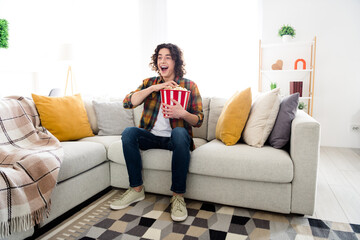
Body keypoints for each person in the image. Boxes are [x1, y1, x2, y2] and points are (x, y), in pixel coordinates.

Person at [110, 43, 203, 222]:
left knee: (179, 133)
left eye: (168, 57)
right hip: (151, 137)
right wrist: (154, 88)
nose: (163, 60)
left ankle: (177, 197)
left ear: (175, 61)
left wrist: (182, 113)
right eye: (160, 57)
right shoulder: (150, 83)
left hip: (175, 139)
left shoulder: (189, 85)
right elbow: (128, 102)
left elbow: (199, 119)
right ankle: (136, 189)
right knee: (129, 133)